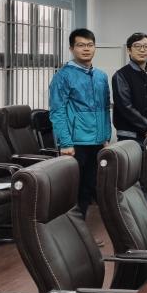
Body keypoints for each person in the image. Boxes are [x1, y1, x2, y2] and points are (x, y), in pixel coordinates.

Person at [48, 28, 111, 218]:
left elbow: (105, 108)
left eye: (90, 45)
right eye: (81, 45)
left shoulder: (101, 76)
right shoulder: (63, 76)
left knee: (88, 188)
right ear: (71, 48)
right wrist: (65, 143)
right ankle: (69, 230)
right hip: (75, 143)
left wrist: (106, 136)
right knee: (72, 191)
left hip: (97, 141)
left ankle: (80, 227)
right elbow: (57, 111)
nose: (86, 49)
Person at [112, 32, 147, 145]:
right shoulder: (121, 75)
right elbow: (125, 106)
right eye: (137, 46)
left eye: (146, 46)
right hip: (130, 136)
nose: (142, 50)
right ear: (129, 50)